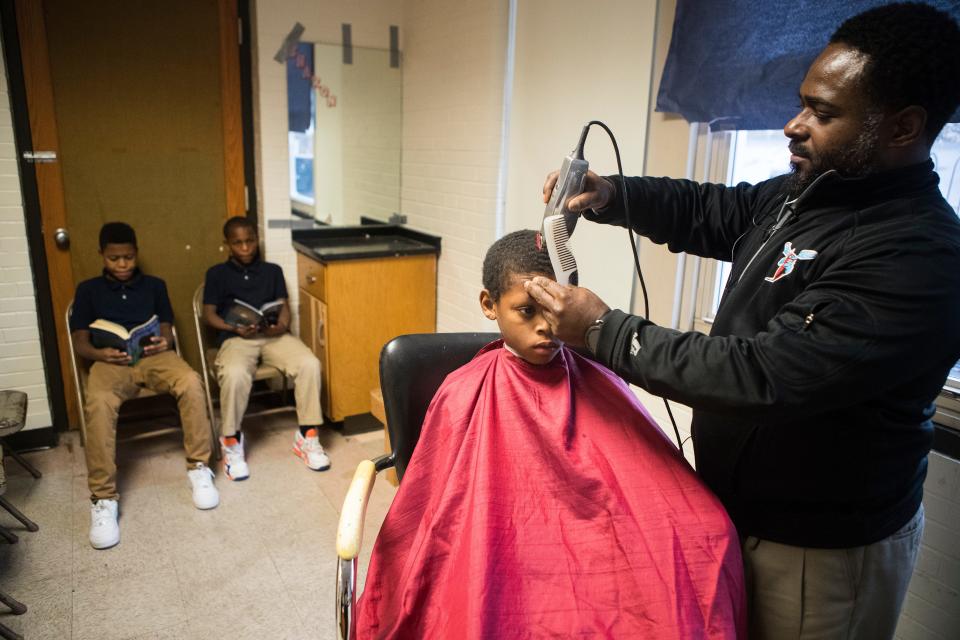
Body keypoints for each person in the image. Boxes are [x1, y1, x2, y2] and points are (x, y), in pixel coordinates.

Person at [526, 3, 960, 638]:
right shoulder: (809, 193)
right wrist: (615, 195)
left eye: (824, 112)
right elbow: (713, 210)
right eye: (802, 103)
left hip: (817, 553)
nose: (794, 125)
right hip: (735, 509)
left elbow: (763, 375)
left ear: (903, 128)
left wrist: (603, 330)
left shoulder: (918, 257)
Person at [356, 230, 745, 638]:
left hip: (590, 544)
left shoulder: (600, 379)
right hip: (501, 543)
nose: (546, 327)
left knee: (708, 533)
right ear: (490, 305)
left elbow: (639, 477)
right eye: (526, 311)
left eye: (554, 311)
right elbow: (433, 509)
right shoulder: (462, 391)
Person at [70, 222, 218, 550]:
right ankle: (103, 498)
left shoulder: (154, 285)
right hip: (110, 361)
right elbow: (80, 341)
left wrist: (160, 343)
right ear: (102, 256)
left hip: (152, 356)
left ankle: (199, 467)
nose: (122, 264)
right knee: (98, 402)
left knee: (191, 382)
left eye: (128, 257)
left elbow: (166, 330)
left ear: (136, 254)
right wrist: (99, 352)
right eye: (114, 259)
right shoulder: (87, 290)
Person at [202, 216, 329, 479]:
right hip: (236, 338)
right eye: (238, 243)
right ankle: (231, 442)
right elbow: (209, 315)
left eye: (249, 241)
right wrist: (232, 328)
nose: (245, 248)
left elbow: (282, 306)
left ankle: (307, 436)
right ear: (227, 244)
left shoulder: (272, 270)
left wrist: (281, 325)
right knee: (235, 373)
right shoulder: (216, 274)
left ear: (256, 239)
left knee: (309, 364)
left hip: (273, 335)